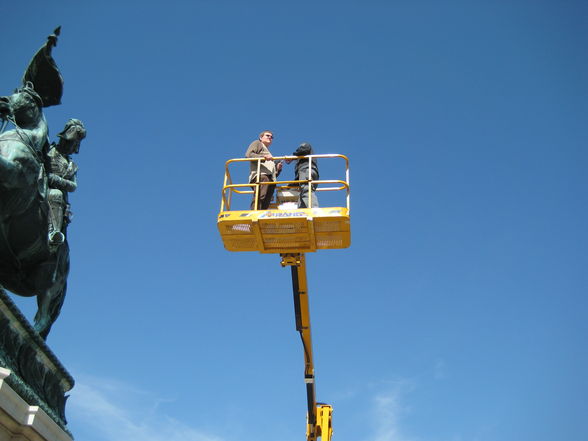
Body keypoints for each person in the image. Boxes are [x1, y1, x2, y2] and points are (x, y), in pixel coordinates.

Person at [45, 118, 86, 248]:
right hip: (38, 184)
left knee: (55, 194)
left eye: (74, 144)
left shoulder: (71, 166)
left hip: (55, 195)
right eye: (70, 142)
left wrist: (56, 180)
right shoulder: (47, 149)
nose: (71, 146)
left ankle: (53, 233)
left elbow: (73, 186)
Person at [245, 130, 282, 209]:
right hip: (261, 176)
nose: (270, 138)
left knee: (266, 200)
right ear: (261, 137)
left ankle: (262, 215)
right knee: (260, 196)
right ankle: (254, 213)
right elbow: (249, 154)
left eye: (272, 137)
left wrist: (277, 169)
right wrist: (263, 158)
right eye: (267, 136)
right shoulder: (257, 143)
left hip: (270, 179)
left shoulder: (268, 152)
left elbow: (271, 172)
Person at [288, 142, 319, 208]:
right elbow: (299, 177)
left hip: (307, 170)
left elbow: (305, 148)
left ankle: (314, 209)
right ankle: (304, 211)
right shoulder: (302, 161)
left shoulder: (305, 146)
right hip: (310, 172)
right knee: (303, 194)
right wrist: (291, 185)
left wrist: (292, 156)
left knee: (306, 189)